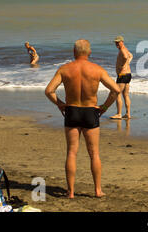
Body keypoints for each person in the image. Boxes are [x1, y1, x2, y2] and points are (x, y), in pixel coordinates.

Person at [45, 39, 120, 198]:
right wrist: (104, 107)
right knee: (94, 153)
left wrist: (60, 104)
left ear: (74, 52)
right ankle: (97, 190)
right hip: (90, 112)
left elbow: (49, 91)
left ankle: (70, 191)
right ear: (89, 52)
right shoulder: (97, 69)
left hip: (71, 110)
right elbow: (115, 90)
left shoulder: (64, 69)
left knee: (71, 152)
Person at [110, 36, 133, 120]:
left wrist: (122, 64)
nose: (116, 44)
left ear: (122, 42)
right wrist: (127, 63)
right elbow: (131, 56)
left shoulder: (123, 50)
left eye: (118, 42)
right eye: (116, 42)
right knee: (126, 95)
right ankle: (128, 114)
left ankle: (119, 114)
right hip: (128, 74)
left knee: (117, 94)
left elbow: (125, 57)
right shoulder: (125, 49)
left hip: (122, 75)